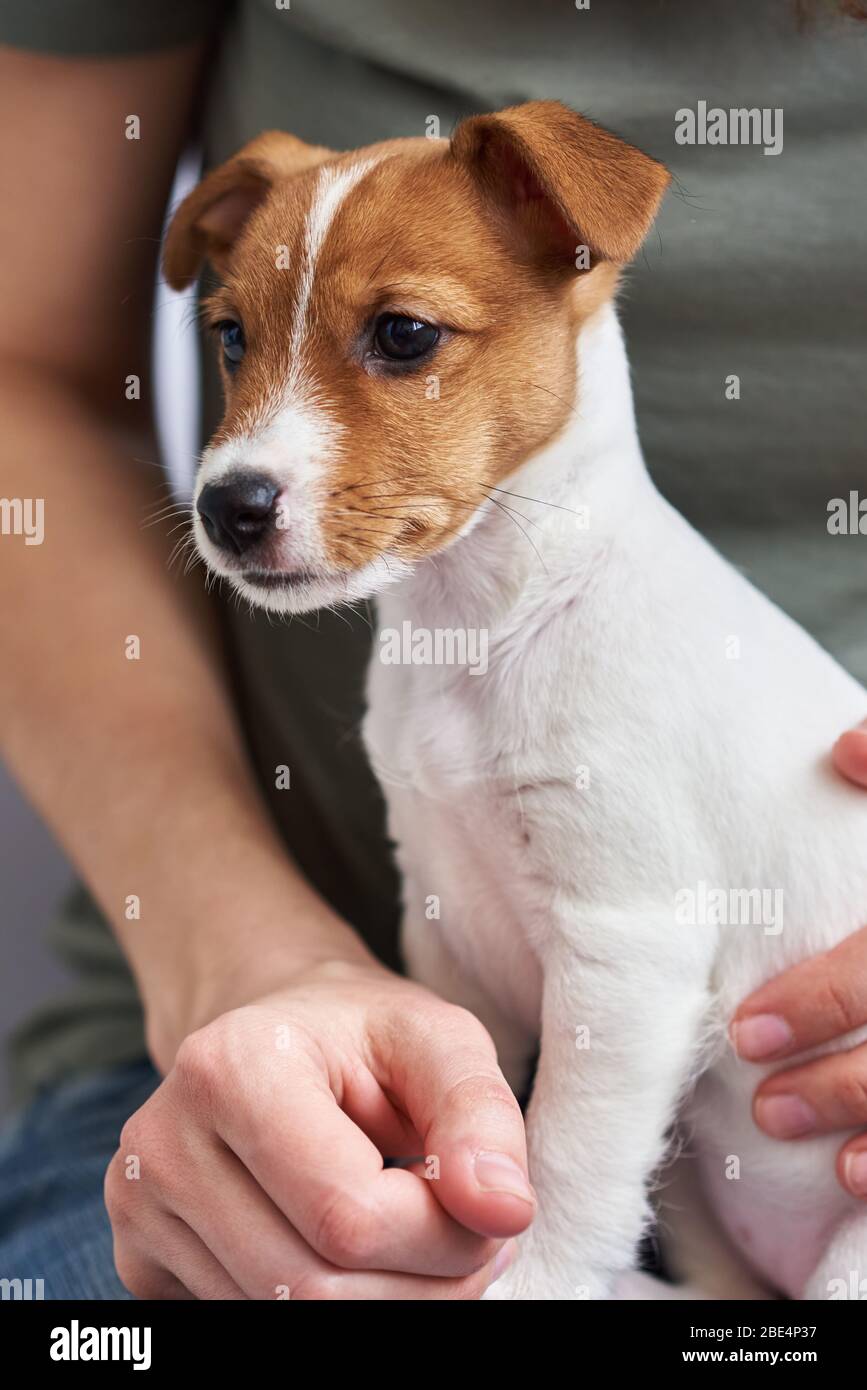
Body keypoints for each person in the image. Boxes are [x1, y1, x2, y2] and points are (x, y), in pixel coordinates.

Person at [0, 0, 865, 1300]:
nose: (251, 455)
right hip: (242, 1071)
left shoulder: (630, 675)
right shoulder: (418, 680)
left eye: (399, 339)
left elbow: (632, 967)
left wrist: (555, 1260)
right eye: (240, 341)